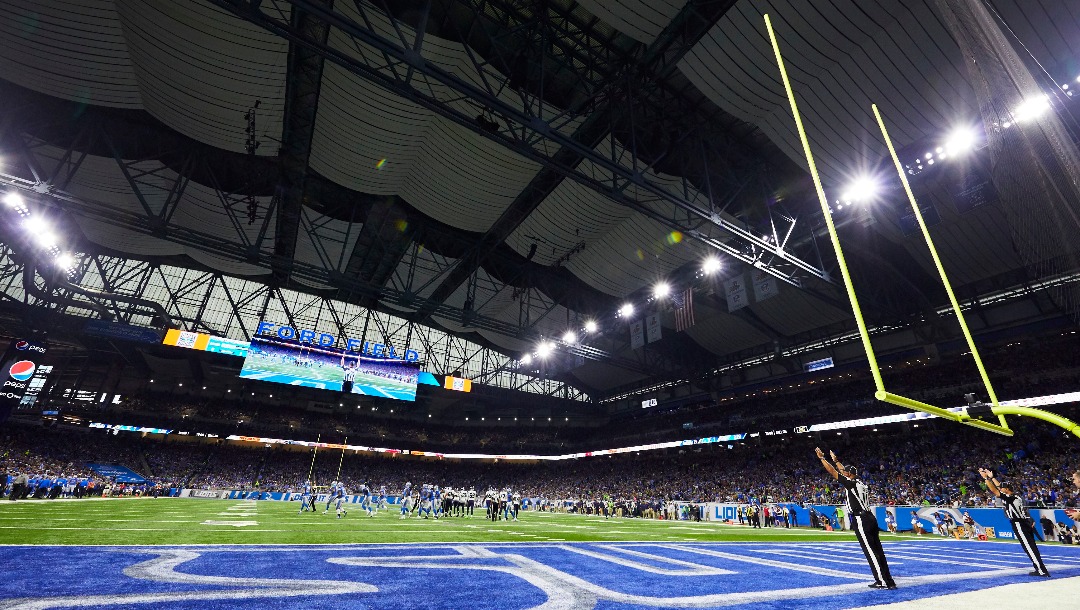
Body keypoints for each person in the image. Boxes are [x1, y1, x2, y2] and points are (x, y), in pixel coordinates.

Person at [816, 447, 897, 589]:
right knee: (878, 551)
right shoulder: (860, 482)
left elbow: (834, 472)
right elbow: (842, 470)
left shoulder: (851, 484)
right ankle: (886, 579)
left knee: (871, 552)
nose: (844, 473)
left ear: (850, 475)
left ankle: (883, 581)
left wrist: (823, 459)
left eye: (846, 473)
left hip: (861, 519)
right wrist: (837, 461)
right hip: (870, 518)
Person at [979, 468, 1049, 577]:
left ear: (1007, 489)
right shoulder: (1015, 497)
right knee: (1031, 547)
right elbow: (999, 488)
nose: (1001, 489)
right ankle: (1039, 568)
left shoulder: (1011, 498)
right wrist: (992, 478)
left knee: (1029, 547)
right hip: (1023, 522)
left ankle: (1041, 570)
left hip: (1019, 523)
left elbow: (995, 491)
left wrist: (986, 479)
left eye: (1003, 488)